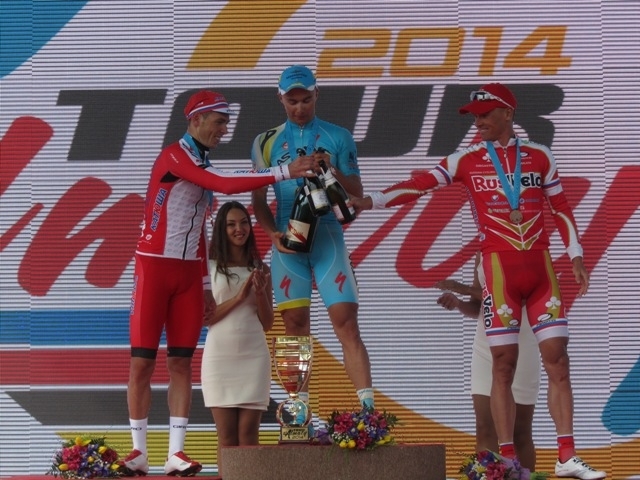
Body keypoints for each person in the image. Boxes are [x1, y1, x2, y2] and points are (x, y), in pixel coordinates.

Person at [350, 83, 606, 479]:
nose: (478, 122)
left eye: (485, 114)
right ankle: (506, 460)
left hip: (541, 268)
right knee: (502, 366)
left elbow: (561, 207)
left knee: (559, 359)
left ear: (508, 113)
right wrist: (372, 200)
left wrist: (575, 256)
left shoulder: (540, 155)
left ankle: (566, 455)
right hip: (499, 269)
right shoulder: (465, 160)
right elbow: (421, 183)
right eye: (474, 116)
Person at [118, 90, 316, 476]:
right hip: (153, 267)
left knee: (181, 362)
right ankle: (138, 451)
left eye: (226, 122)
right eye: (219, 121)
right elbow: (224, 186)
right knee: (142, 363)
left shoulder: (201, 160)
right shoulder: (174, 156)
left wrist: (206, 286)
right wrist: (285, 171)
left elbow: (200, 228)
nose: (224, 129)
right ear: (196, 120)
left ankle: (175, 453)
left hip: (187, 273)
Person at [250, 65, 374, 415]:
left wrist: (331, 169)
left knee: (346, 322)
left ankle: (368, 413)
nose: (300, 107)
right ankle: (297, 413)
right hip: (289, 241)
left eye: (306, 99)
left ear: (317, 94)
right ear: (280, 99)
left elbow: (357, 191)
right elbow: (258, 199)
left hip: (328, 239)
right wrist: (271, 233)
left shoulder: (338, 136)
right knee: (294, 326)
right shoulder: (264, 141)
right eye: (292, 101)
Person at [435, 252, 540, 470]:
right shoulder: (482, 251)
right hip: (486, 344)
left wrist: (463, 288)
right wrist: (459, 303)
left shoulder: (527, 246)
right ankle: (489, 475)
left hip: (521, 343)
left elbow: (516, 297)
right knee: (484, 426)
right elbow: (479, 306)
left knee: (520, 432)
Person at [201, 201, 273, 477]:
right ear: (222, 228)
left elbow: (268, 323)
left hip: (254, 357)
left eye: (243, 222)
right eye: (231, 224)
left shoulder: (261, 267)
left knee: (248, 436)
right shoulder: (208, 269)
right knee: (227, 437)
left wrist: (261, 293)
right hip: (220, 358)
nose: (238, 229)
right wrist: (240, 297)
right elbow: (205, 318)